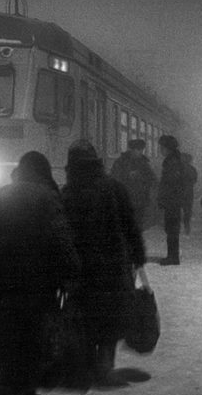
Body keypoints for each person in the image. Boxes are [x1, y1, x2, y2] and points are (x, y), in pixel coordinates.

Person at [0, 151, 80, 395]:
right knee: (30, 335)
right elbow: (60, 237)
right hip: (35, 280)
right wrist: (71, 272)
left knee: (6, 332)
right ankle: (24, 394)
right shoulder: (47, 197)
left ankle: (7, 385)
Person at [61, 140, 146, 382]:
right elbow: (130, 225)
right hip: (112, 265)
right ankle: (105, 366)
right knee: (110, 316)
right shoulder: (114, 188)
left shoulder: (67, 193)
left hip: (81, 267)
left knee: (85, 316)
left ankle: (88, 364)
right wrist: (138, 255)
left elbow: (60, 232)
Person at [109, 138, 157, 230]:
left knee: (138, 221)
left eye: (141, 150)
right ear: (132, 150)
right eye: (138, 150)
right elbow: (114, 177)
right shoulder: (121, 162)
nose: (140, 152)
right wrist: (127, 175)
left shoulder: (144, 162)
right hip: (126, 197)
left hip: (140, 198)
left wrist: (142, 178)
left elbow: (152, 178)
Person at [156, 134, 186, 265]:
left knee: (171, 228)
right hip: (174, 200)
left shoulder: (171, 162)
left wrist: (164, 198)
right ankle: (172, 256)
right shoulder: (174, 160)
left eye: (161, 147)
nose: (160, 150)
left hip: (172, 200)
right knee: (172, 228)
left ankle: (172, 257)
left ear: (168, 148)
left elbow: (170, 183)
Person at [180, 152, 199, 235]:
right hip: (188, 192)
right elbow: (195, 180)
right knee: (187, 210)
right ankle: (186, 225)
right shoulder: (192, 169)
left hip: (179, 192)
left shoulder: (176, 168)